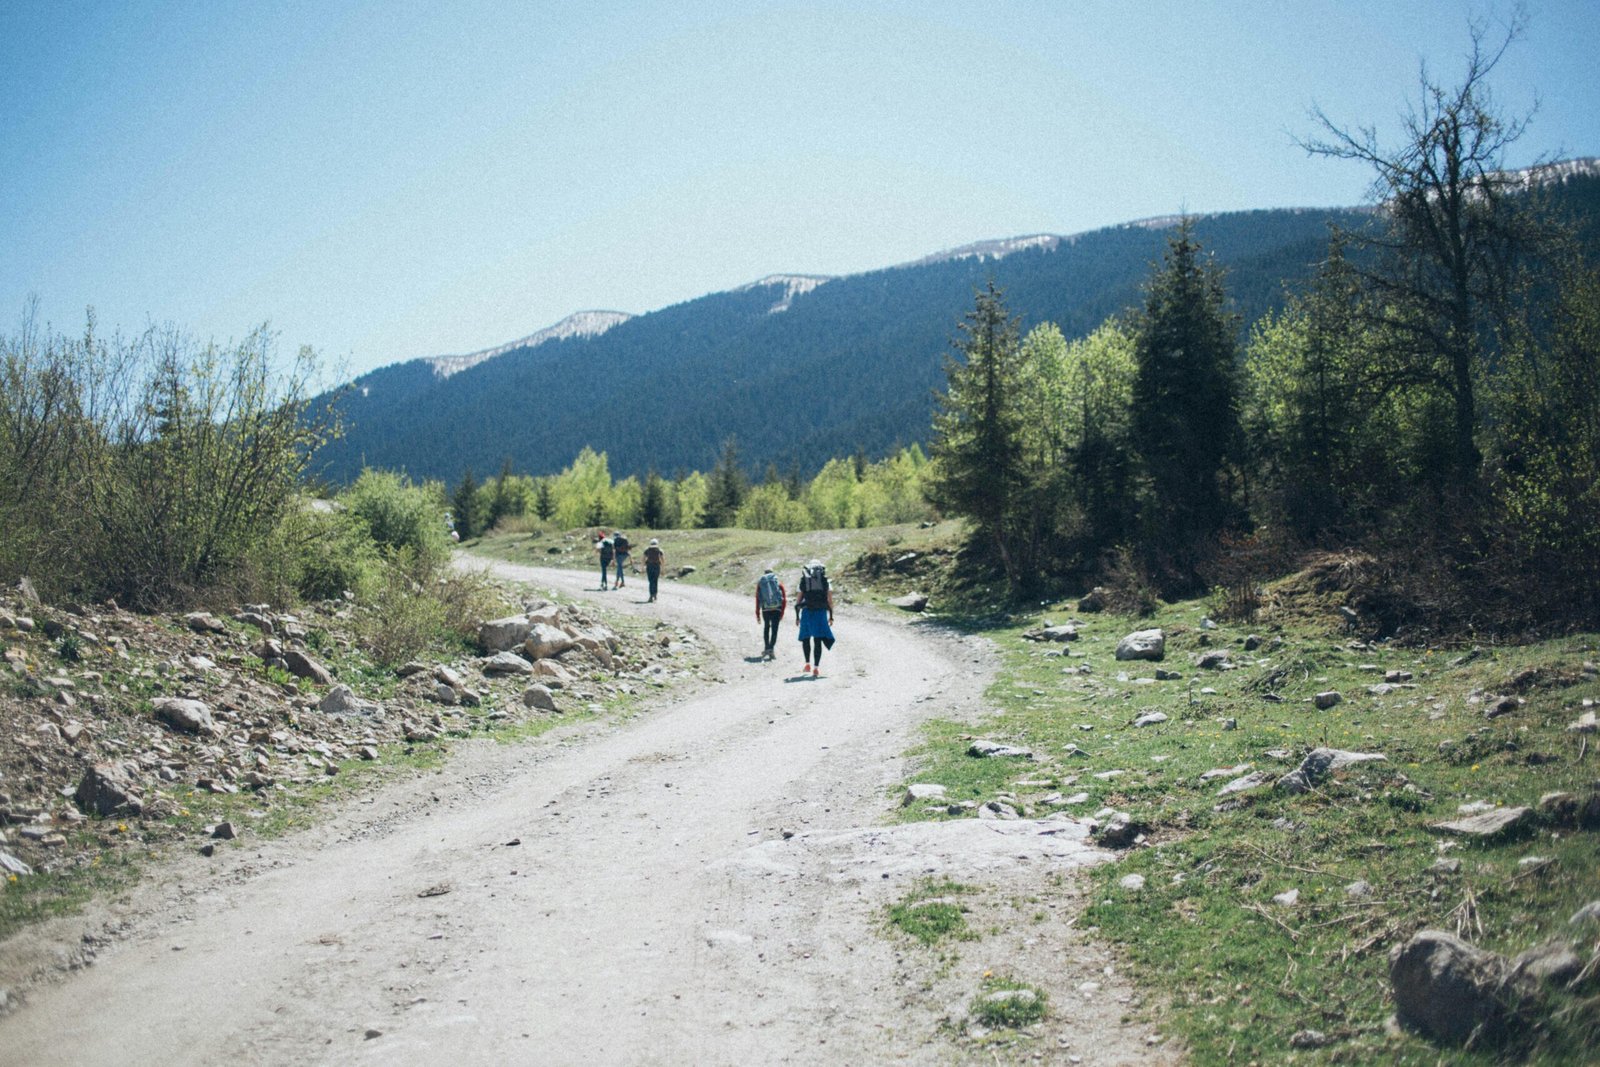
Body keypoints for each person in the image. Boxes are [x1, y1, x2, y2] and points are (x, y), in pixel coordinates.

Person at [794, 558, 834, 676]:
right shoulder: (825, 581)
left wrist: (797, 617)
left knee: (806, 638)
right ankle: (816, 668)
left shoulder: (804, 581)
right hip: (820, 613)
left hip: (806, 612)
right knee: (818, 639)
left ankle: (807, 664)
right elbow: (830, 601)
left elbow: (798, 600)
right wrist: (831, 616)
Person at [755, 567, 786, 659]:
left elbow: (758, 599)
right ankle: (771, 649)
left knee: (766, 627)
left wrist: (757, 614)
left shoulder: (761, 584)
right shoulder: (778, 584)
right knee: (774, 629)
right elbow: (784, 600)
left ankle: (766, 647)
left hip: (766, 609)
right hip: (777, 609)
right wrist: (782, 612)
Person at [642, 538, 665, 602]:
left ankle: (651, 595)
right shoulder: (660, 550)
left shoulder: (647, 550)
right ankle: (655, 594)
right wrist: (663, 569)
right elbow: (663, 560)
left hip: (649, 566)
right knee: (655, 580)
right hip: (657, 566)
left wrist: (642, 568)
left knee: (651, 581)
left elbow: (643, 559)